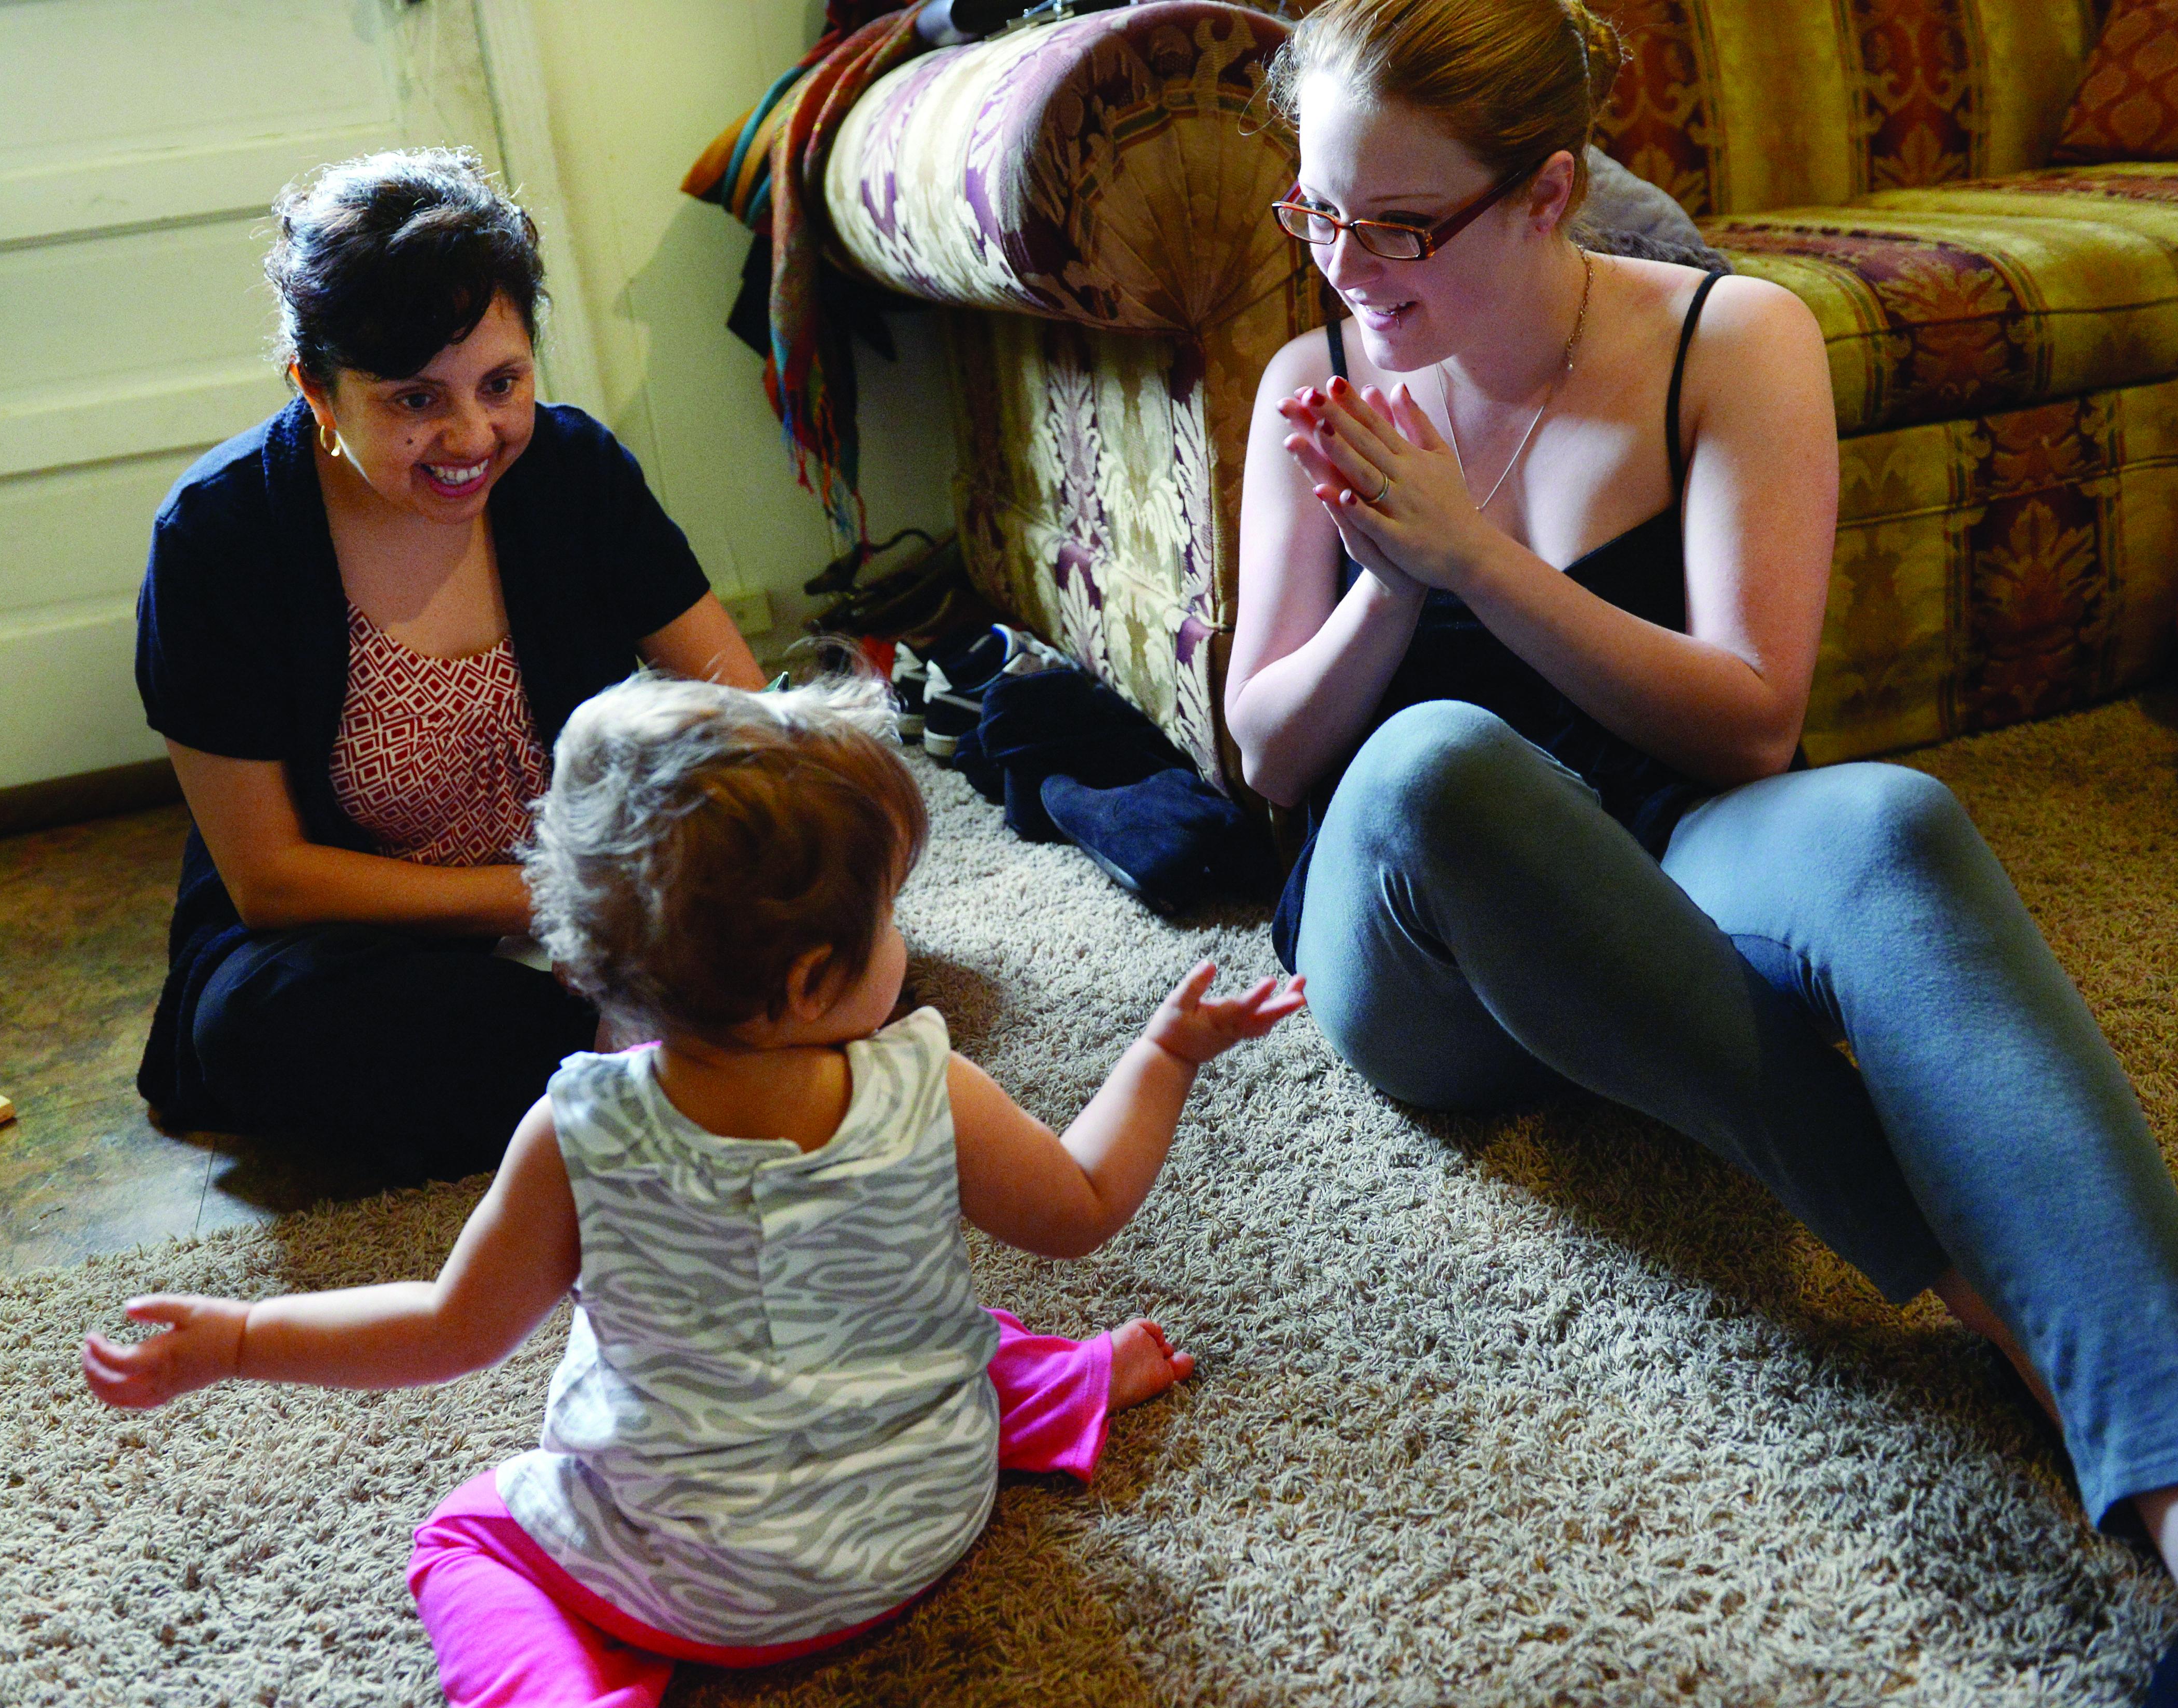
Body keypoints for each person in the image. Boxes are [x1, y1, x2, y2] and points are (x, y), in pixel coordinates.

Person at [1222, 2, 2178, 1701]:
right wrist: (1399, 585)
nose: (1348, 265)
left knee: (1887, 821)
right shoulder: (1314, 384)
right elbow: (1269, 753)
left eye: (1401, 223)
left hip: (1673, 848)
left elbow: (1744, 726)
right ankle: (1981, 1284)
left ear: (1546, 191)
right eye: (1319, 211)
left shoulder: (1732, 340)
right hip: (1423, 942)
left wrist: (1487, 562)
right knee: (1437, 760)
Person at [83, 671, 1305, 1706]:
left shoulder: (577, 1134)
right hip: (930, 1515)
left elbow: (449, 1329)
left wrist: (242, 1336)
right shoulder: (927, 1086)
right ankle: (1066, 1384)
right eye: (891, 914)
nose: (904, 937)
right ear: (815, 978)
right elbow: (1084, 1203)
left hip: (696, 1591)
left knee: (466, 1532)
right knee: (904, 1306)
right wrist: (1163, 1056)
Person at [134, 148, 766, 1182]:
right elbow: (271, 880)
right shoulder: (219, 538)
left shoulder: (571, 470)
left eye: (501, 383)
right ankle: (682, 1057)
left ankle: (644, 1059)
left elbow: (744, 716)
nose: (472, 436)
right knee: (265, 1028)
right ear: (315, 389)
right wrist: (549, 900)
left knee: (806, 886)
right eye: (415, 400)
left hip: (607, 894)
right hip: (366, 938)